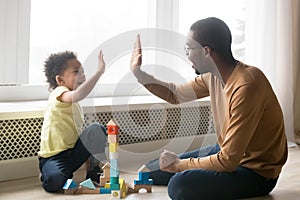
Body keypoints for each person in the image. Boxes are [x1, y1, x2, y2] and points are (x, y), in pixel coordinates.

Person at [130, 17, 288, 200]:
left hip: (256, 172)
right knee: (152, 169)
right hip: (226, 152)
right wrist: (139, 74)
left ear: (206, 51)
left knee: (179, 185)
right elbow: (175, 94)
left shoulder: (247, 85)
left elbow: (228, 161)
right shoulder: (213, 76)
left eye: (189, 49)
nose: (187, 55)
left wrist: (180, 164)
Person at [38, 50, 107, 193]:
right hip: (54, 156)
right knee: (55, 183)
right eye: (76, 72)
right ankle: (49, 174)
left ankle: (93, 171)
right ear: (60, 80)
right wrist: (99, 72)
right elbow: (78, 94)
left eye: (82, 71)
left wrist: (89, 162)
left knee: (96, 128)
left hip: (73, 152)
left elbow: (82, 138)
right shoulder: (59, 92)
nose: (82, 75)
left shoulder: (74, 104)